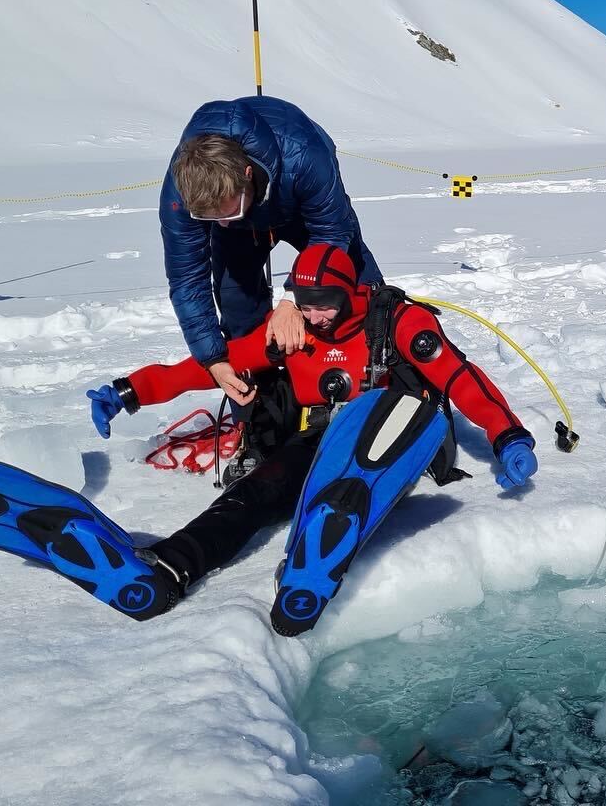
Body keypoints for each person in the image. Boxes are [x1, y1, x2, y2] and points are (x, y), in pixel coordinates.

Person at [86, 244, 538, 632]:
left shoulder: (399, 322)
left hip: (394, 438)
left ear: (349, 293)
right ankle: (170, 565)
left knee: (350, 484)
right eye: (305, 303)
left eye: (326, 304)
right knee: (253, 494)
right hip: (319, 439)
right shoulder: (292, 331)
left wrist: (508, 436)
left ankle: (311, 561)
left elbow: (460, 378)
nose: (316, 317)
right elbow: (206, 366)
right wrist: (129, 391)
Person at [160, 95, 381, 411]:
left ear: (248, 175)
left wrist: (294, 299)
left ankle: (374, 383)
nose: (220, 222)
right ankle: (260, 416)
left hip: (298, 203)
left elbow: (331, 232)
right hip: (243, 228)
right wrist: (214, 359)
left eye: (228, 210)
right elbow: (186, 280)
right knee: (237, 308)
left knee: (354, 284)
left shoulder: (305, 156)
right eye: (210, 218)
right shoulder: (181, 191)